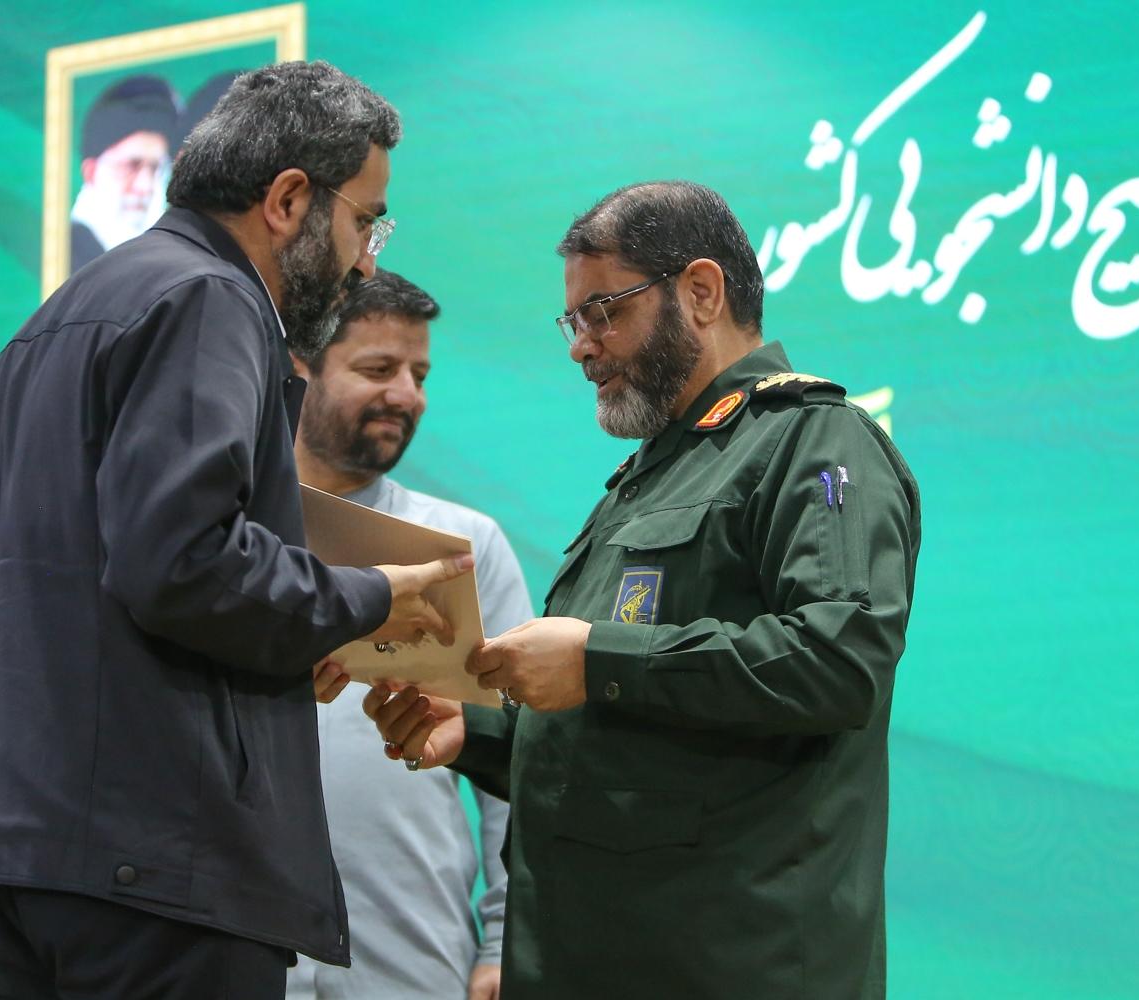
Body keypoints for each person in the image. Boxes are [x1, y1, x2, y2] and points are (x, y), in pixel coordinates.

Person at [0, 61, 469, 1000]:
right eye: (366, 221)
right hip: (159, 861)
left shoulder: (64, 315)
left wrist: (282, 641)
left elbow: (112, 577)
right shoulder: (210, 299)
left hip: (42, 853)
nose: (368, 259)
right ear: (289, 200)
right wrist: (365, 599)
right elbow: (183, 560)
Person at [367, 181, 922, 999]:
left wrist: (598, 659)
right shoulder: (648, 477)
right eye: (574, 322)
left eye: (603, 313)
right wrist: (477, 729)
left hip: (732, 970)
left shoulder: (817, 442)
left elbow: (839, 660)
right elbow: (629, 744)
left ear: (700, 292)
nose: (582, 348)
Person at [287, 271, 530, 1000]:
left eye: (418, 374)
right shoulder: (221, 544)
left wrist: (504, 941)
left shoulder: (464, 548)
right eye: (378, 369)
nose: (407, 394)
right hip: (232, 949)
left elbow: (516, 758)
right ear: (299, 369)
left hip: (413, 956)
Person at [70, 75, 178, 273]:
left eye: (155, 168)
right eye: (131, 166)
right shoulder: (65, 255)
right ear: (91, 172)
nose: (145, 186)